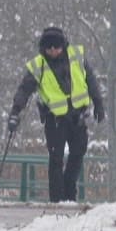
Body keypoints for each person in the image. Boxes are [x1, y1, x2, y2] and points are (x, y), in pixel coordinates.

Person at [7, 26, 104, 203]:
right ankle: (57, 199)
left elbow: (91, 80)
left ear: (63, 45)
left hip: (78, 117)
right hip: (55, 120)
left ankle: (69, 189)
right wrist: (15, 111)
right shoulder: (39, 65)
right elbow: (24, 90)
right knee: (56, 159)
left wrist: (98, 102)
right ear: (43, 47)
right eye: (49, 48)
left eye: (56, 47)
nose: (52, 51)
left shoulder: (76, 57)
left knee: (78, 153)